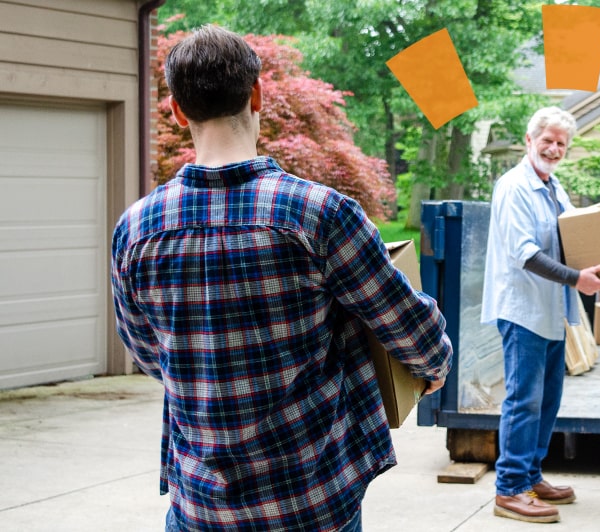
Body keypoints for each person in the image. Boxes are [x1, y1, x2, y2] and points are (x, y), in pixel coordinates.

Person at [110, 25, 452, 531]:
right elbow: (406, 323)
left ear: (179, 111)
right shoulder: (321, 214)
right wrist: (434, 365)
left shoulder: (135, 230)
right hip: (310, 503)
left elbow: (148, 354)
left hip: (200, 507)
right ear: (257, 95)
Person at [480, 106, 600, 523]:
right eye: (548, 140)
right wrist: (576, 279)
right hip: (523, 309)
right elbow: (525, 253)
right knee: (524, 400)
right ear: (529, 141)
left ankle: (530, 474)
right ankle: (509, 489)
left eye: (562, 143)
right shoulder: (514, 188)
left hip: (551, 308)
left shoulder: (554, 188)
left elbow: (576, 240)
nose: (555, 148)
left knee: (547, 400)